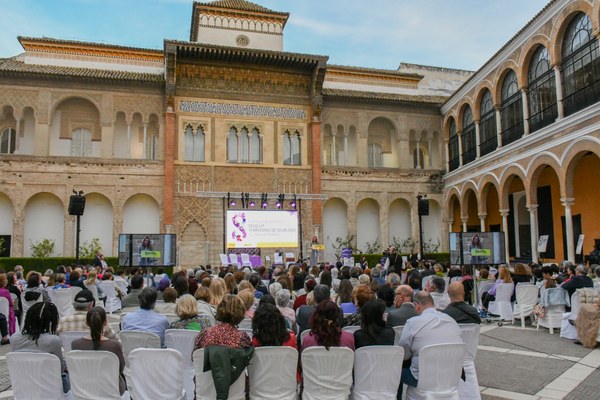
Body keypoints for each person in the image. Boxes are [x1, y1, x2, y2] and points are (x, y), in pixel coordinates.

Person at [398, 291, 463, 398]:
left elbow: (403, 354)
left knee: (396, 370)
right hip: (450, 375)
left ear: (417, 305)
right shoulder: (451, 320)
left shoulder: (413, 322)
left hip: (422, 379)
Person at [11, 302, 70, 393]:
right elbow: (60, 369)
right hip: (50, 388)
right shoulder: (53, 340)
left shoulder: (14, 339)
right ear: (50, 321)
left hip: (24, 388)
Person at [72, 307, 127, 396]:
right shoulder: (114, 345)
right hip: (112, 389)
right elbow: (120, 368)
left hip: (84, 388)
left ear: (86, 323)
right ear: (105, 322)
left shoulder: (75, 344)